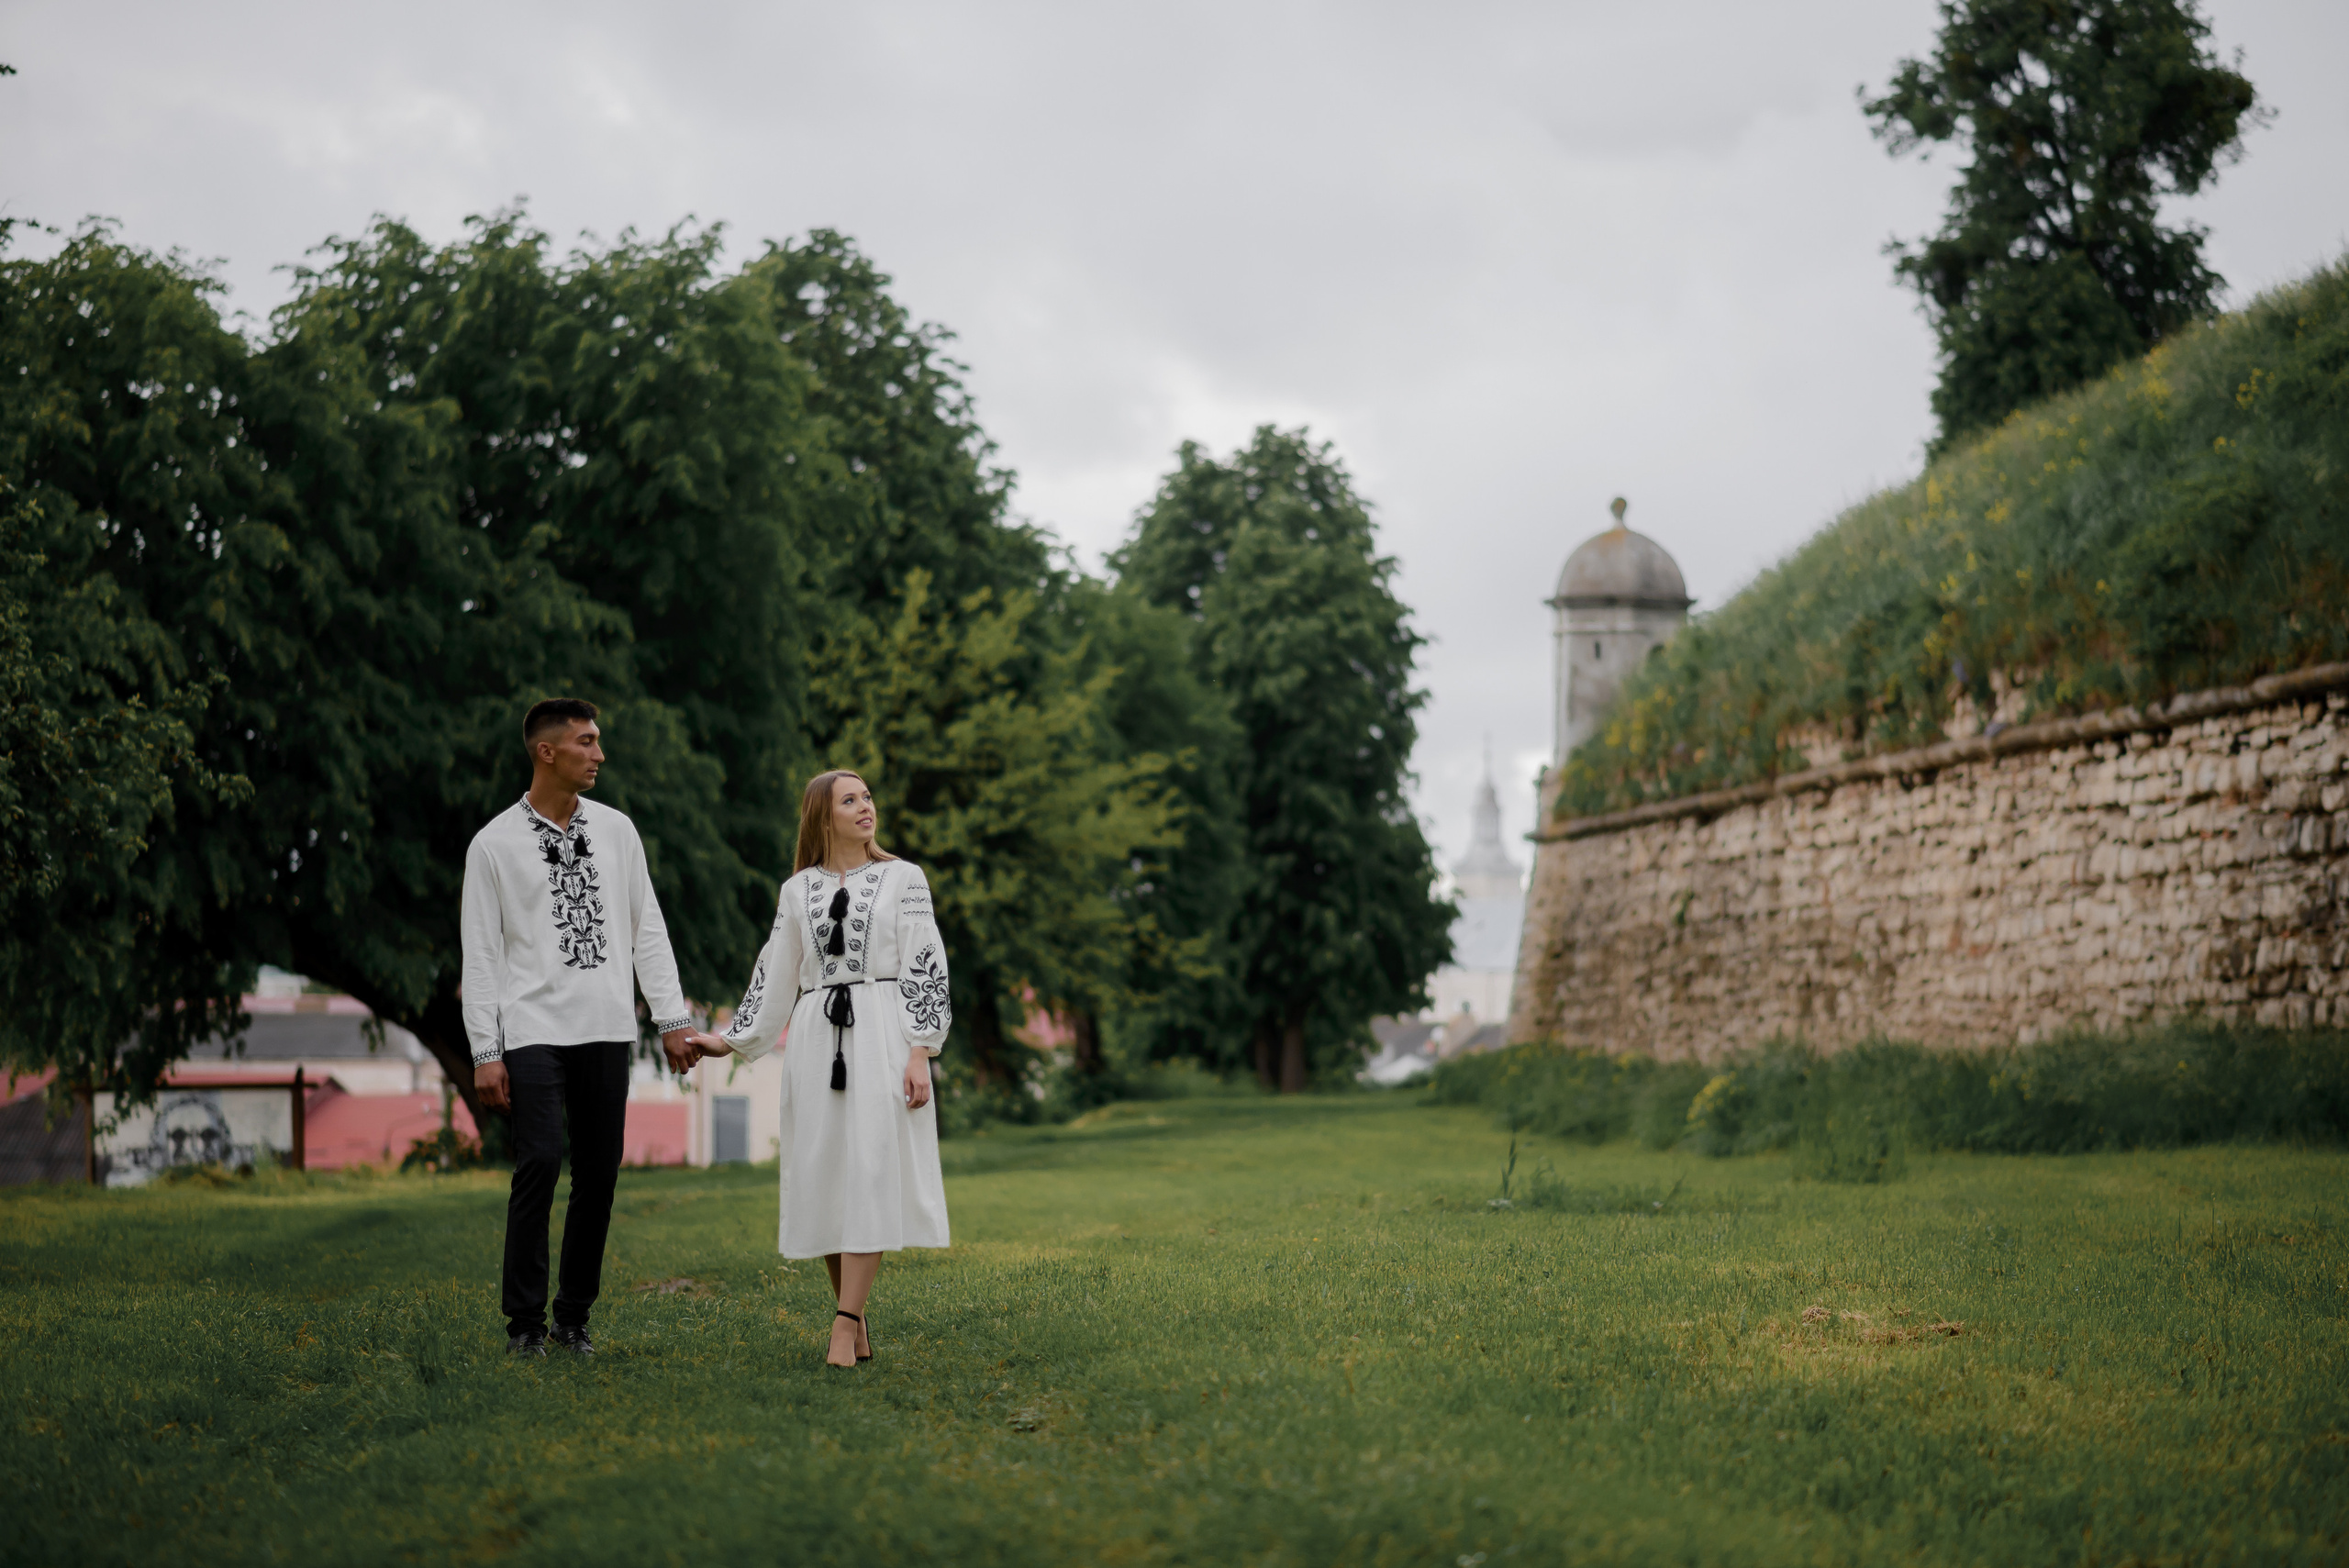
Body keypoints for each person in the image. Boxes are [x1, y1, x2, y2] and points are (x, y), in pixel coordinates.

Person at [462, 697, 720, 1355]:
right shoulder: (492, 844)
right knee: (540, 1161)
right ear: (546, 751)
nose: (599, 753)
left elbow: (647, 928)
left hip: (606, 1026)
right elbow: (481, 956)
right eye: (586, 741)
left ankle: (572, 1318)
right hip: (532, 1029)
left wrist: (671, 1019)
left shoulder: (617, 831)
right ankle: (524, 1325)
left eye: (598, 740)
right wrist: (485, 1051)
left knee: (599, 1174)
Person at [695, 770, 952, 1367]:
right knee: (827, 1175)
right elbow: (775, 972)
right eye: (849, 800)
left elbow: (925, 959)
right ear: (822, 816)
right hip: (816, 1039)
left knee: (870, 1169)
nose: (866, 807)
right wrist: (730, 1040)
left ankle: (842, 1324)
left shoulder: (904, 877)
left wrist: (921, 1049)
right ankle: (854, 1319)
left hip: (883, 1031)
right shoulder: (796, 891)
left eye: (868, 797)